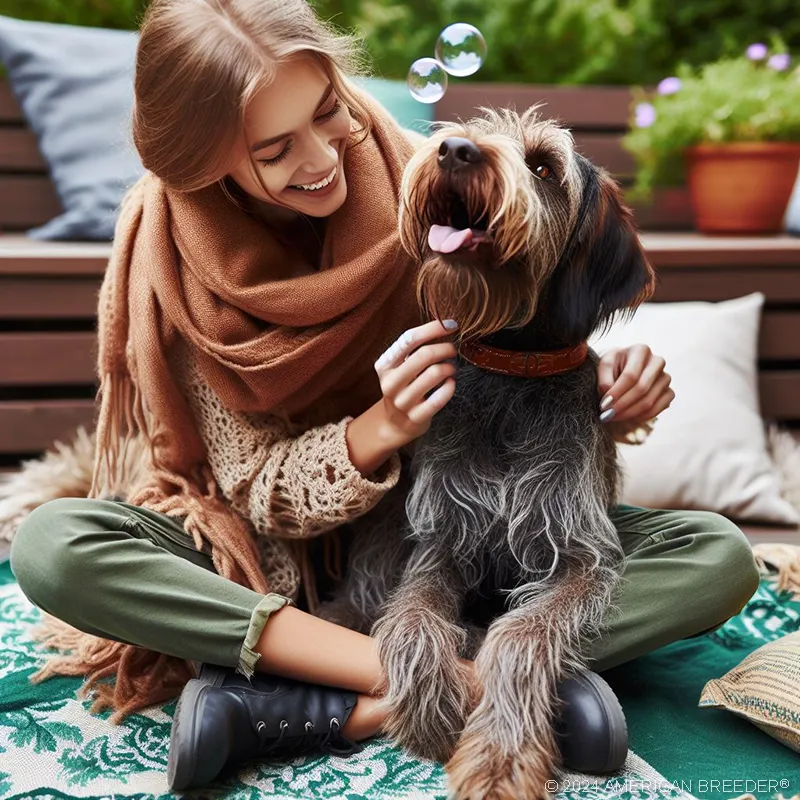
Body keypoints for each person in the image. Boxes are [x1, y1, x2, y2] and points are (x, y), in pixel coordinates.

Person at [8, 0, 761, 791]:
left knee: (713, 555)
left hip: (458, 528)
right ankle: (456, 688)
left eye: (328, 110)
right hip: (273, 558)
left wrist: (623, 391)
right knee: (53, 546)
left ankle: (293, 706)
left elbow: (543, 307)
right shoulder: (175, 271)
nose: (320, 159)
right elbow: (251, 493)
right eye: (274, 149)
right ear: (209, 164)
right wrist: (381, 426)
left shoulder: (436, 181)